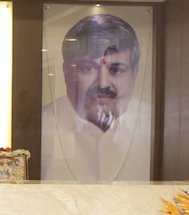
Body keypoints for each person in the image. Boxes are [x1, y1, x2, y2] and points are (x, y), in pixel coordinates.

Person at [41, 13, 151, 181]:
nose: (103, 84)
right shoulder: (41, 125)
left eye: (116, 70)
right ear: (66, 72)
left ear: (134, 75)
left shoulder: (153, 124)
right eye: (88, 68)